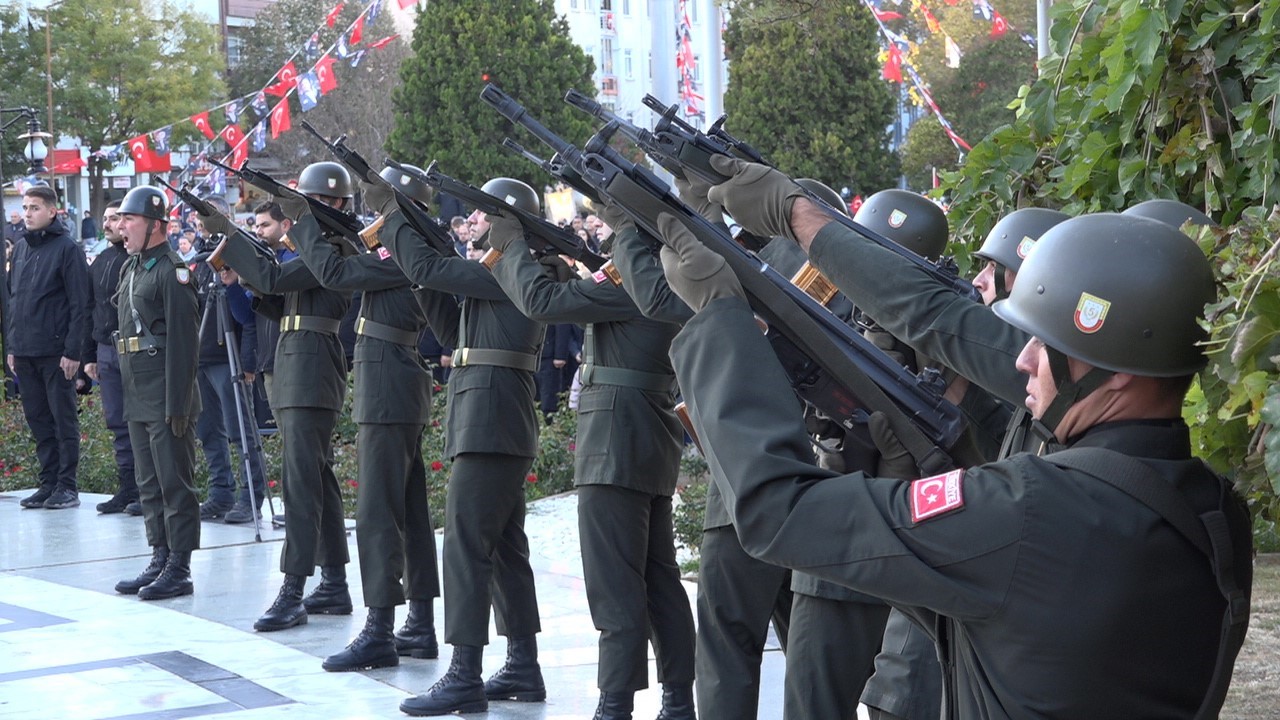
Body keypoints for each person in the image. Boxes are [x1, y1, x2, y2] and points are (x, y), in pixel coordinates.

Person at [662, 156, 1254, 718]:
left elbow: (778, 513)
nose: (1021, 360)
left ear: (1117, 372)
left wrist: (719, 318)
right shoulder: (1217, 511)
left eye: (1045, 344)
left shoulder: (1029, 507)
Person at [486, 204, 696, 719]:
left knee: (615, 583)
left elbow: (541, 301)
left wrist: (512, 245)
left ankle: (615, 704)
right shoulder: (664, 282)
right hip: (649, 437)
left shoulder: (629, 287)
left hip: (614, 441)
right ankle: (677, 702)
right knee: (660, 580)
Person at [385, 177, 547, 717]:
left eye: (481, 214)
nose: (471, 220)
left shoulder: (514, 268)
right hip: (490, 417)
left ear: (507, 221)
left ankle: (464, 674)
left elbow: (429, 266)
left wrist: (393, 216)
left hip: (491, 419)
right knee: (503, 549)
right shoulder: (501, 271)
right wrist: (422, 273)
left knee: (465, 546)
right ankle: (522, 665)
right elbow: (456, 334)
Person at [284, 165, 441, 673]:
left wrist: (301, 221)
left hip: (389, 385)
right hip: (394, 382)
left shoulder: (404, 251)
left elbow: (336, 274)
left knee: (377, 512)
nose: (373, 209)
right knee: (409, 510)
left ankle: (379, 630)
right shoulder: (406, 248)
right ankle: (419, 623)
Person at [203, 163, 353, 631]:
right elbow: (273, 300)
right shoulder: (309, 245)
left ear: (339, 204)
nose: (309, 208)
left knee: (300, 480)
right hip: (294, 361)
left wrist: (229, 232)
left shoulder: (335, 246)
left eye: (318, 201)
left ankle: (293, 588)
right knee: (316, 476)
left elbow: (275, 280)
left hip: (312, 365)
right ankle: (333, 581)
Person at [111, 185, 201, 600]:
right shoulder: (131, 268)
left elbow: (184, 345)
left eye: (129, 219)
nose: (121, 227)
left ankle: (179, 566)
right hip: (138, 392)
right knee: (148, 482)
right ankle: (159, 556)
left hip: (167, 397)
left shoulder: (173, 272)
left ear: (155, 226)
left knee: (174, 482)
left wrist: (178, 404)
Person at [6, 185, 91, 510]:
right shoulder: (22, 249)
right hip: (25, 351)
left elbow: (79, 304)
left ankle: (67, 486)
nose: (27, 213)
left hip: (56, 353)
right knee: (38, 419)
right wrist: (12, 346)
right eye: (26, 207)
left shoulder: (68, 249)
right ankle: (48, 483)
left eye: (35, 208)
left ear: (52, 211)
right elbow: (15, 301)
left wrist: (73, 352)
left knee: (62, 419)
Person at [189, 197, 270, 525]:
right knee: (209, 431)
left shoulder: (237, 251)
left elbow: (249, 317)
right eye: (198, 219)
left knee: (241, 431)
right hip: (203, 356)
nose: (201, 224)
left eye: (208, 217)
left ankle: (251, 497)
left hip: (230, 357)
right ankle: (221, 493)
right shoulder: (199, 258)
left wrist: (248, 363)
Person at [82, 199, 139, 515]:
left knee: (141, 421)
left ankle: (147, 489)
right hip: (105, 349)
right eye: (104, 218)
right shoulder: (101, 261)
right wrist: (88, 355)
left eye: (115, 218)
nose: (107, 224)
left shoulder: (136, 259)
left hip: (135, 348)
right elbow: (90, 308)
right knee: (117, 421)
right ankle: (127, 488)